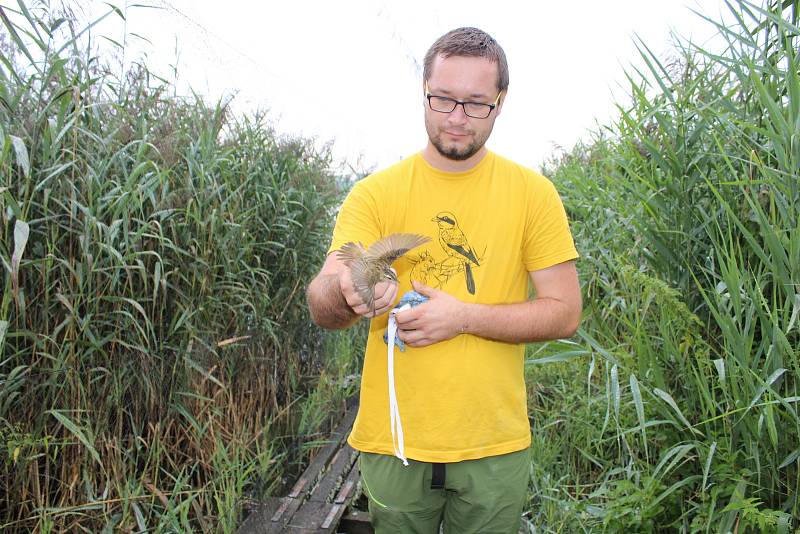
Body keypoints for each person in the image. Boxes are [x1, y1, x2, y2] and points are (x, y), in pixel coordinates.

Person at [306, 26, 581, 534]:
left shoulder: (533, 194)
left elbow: (564, 312)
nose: (457, 117)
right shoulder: (375, 194)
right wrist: (348, 289)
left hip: (492, 446)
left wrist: (463, 317)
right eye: (444, 99)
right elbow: (324, 300)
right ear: (424, 94)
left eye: (476, 103)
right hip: (394, 441)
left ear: (500, 103)